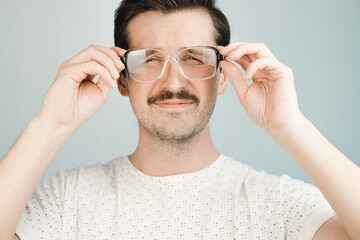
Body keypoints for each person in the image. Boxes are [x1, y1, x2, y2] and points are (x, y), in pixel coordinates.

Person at [0, 0, 359, 239]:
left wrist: (290, 125)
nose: (173, 83)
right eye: (150, 59)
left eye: (193, 57)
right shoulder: (66, 200)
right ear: (122, 79)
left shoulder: (278, 204)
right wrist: (50, 125)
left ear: (222, 77)